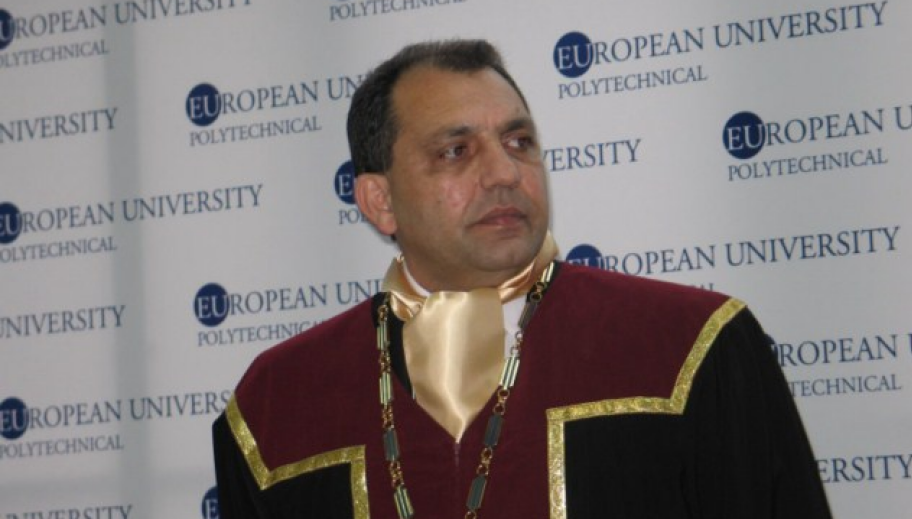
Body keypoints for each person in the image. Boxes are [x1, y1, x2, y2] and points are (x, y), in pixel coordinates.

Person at [212, 40, 833, 519]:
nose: (505, 173)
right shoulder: (276, 404)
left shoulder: (689, 348)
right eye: (456, 151)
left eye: (518, 141)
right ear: (380, 201)